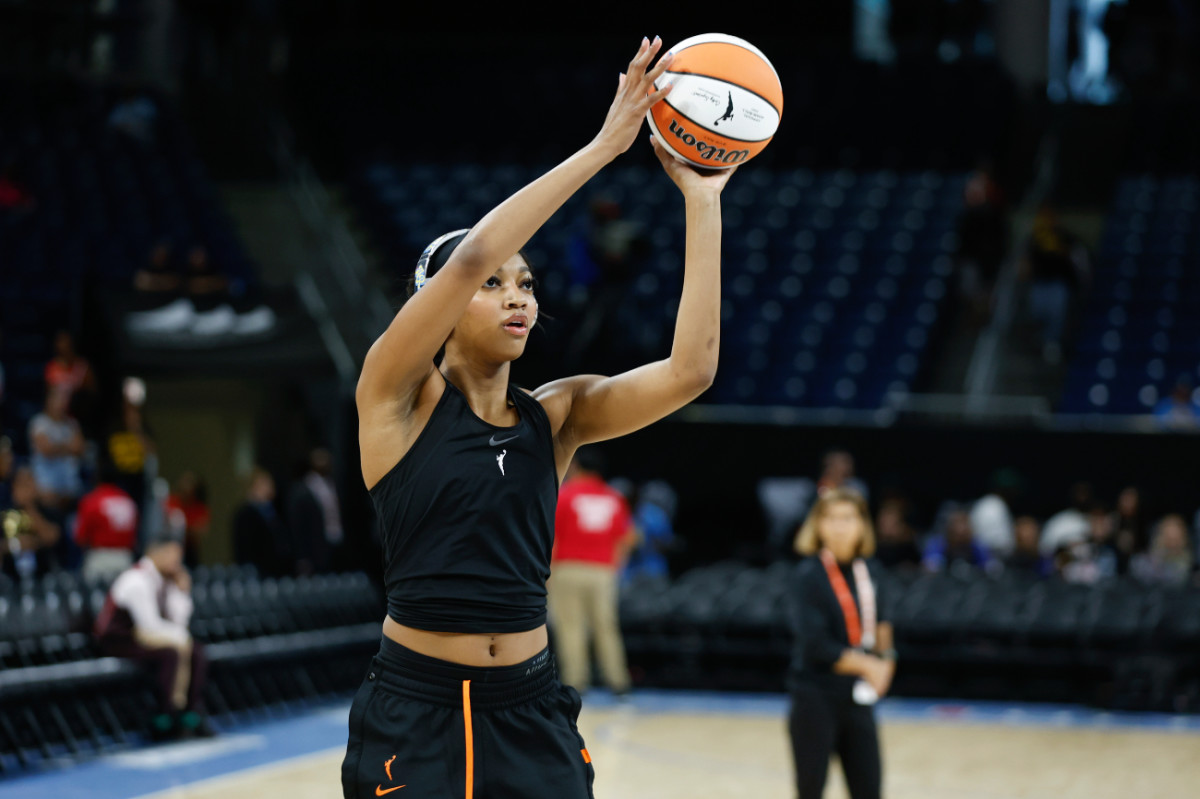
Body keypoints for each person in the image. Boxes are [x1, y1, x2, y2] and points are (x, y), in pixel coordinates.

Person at [343, 37, 731, 799]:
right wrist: (602, 148)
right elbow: (465, 257)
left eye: (525, 280)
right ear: (445, 308)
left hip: (531, 706)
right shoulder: (393, 397)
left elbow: (693, 371)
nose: (518, 292)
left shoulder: (556, 415)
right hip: (417, 712)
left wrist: (703, 200)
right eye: (494, 283)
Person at [787, 487, 895, 799]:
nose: (840, 526)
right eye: (831, 518)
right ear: (817, 525)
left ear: (862, 525)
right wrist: (868, 664)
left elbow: (883, 624)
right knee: (811, 789)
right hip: (815, 696)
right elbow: (815, 645)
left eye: (848, 518)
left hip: (858, 698)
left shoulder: (871, 571)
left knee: (869, 788)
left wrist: (887, 661)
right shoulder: (808, 575)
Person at [94, 524, 213, 740]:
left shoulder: (165, 579)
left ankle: (190, 713)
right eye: (172, 555)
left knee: (196, 651)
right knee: (172, 653)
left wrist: (182, 591)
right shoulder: (136, 580)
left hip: (145, 638)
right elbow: (148, 625)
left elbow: (179, 620)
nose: (176, 562)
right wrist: (180, 637)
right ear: (155, 552)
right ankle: (165, 718)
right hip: (120, 641)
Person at [548, 449, 636, 695]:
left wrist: (548, 573)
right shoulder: (613, 497)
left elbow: (551, 538)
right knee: (606, 626)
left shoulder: (565, 495)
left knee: (570, 626)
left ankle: (576, 683)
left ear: (576, 466)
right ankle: (619, 682)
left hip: (567, 569)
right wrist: (616, 566)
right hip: (603, 571)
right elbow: (628, 538)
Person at [74, 457, 140, 583]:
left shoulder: (92, 500)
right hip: (125, 559)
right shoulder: (128, 501)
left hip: (100, 559)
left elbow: (80, 538)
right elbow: (135, 537)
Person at [285, 448, 343, 575]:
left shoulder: (333, 483)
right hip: (315, 549)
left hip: (336, 541)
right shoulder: (302, 489)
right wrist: (302, 557)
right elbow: (298, 524)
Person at [28, 385, 85, 510]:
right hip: (46, 484)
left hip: (69, 485)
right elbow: (46, 449)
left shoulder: (72, 424)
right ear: (49, 401)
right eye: (58, 399)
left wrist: (56, 447)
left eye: (64, 400)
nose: (61, 404)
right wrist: (67, 447)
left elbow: (79, 449)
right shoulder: (39, 422)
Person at [1, 465, 62, 582]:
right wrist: (15, 545)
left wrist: (29, 507)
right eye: (22, 484)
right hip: (9, 579)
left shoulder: (47, 511)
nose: (27, 489)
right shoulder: (4, 513)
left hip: (44, 578)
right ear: (13, 487)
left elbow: (51, 538)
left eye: (30, 482)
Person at [233, 466, 290, 577]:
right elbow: (244, 549)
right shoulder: (245, 514)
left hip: (278, 570)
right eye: (264, 484)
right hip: (258, 573)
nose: (269, 488)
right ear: (253, 486)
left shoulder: (274, 511)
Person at [165, 471, 211, 569]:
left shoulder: (199, 507)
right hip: (170, 546)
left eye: (190, 483)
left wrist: (182, 528)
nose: (186, 486)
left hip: (190, 550)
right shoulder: (171, 501)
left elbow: (201, 530)